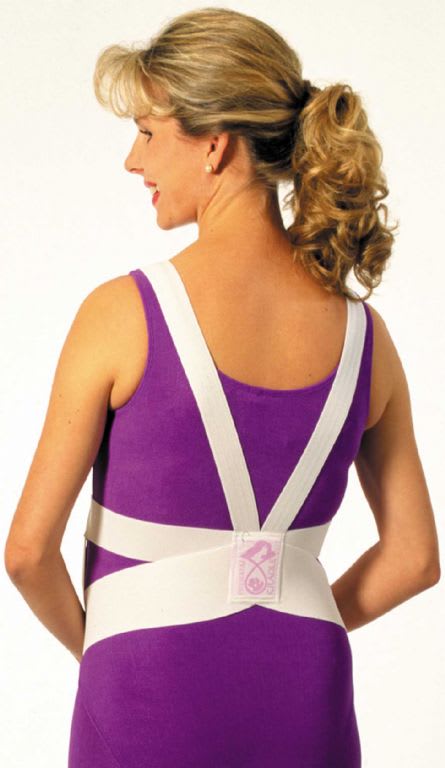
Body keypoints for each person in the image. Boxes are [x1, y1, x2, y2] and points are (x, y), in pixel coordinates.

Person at [4, 7, 440, 767]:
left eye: (147, 132)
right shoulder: (366, 339)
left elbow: (26, 553)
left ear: (214, 144)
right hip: (307, 698)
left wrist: (107, 648)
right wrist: (286, 610)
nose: (132, 161)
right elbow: (415, 557)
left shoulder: (123, 313)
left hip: (149, 693)